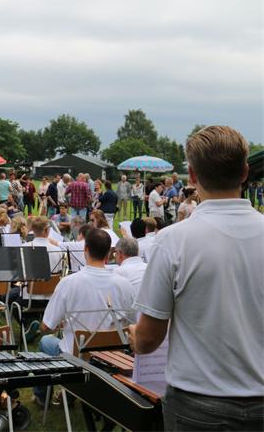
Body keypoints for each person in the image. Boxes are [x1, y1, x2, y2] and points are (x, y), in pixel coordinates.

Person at [130, 126, 264, 431]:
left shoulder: (173, 240)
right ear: (245, 172)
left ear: (191, 175)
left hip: (198, 404)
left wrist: (134, 335)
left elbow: (149, 340)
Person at [34, 229, 135, 405]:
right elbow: (133, 322)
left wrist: (58, 325)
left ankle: (43, 398)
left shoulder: (68, 282)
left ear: (85, 249)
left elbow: (46, 327)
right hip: (113, 356)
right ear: (109, 253)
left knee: (45, 341)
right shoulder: (125, 284)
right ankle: (71, 393)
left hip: (76, 357)